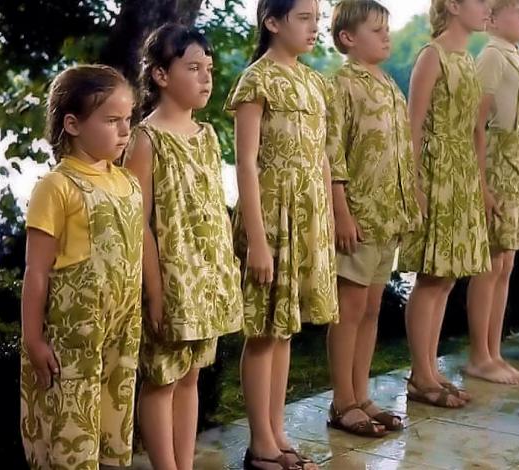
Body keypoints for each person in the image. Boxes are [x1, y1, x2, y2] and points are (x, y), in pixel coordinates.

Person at [124, 24, 243, 470]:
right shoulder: (145, 139)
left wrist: (226, 269)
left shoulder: (208, 136)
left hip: (206, 280)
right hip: (170, 281)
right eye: (193, 68)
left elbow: (213, 210)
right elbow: (139, 223)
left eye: (208, 69)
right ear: (160, 75)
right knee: (161, 379)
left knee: (191, 376)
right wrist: (154, 290)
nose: (206, 78)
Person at [226, 0, 337, 468]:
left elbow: (323, 156)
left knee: (284, 328)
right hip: (271, 217)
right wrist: (257, 239)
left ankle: (276, 431)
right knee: (264, 330)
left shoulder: (314, 81)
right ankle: (260, 445)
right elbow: (246, 163)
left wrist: (328, 219)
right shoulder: (257, 79)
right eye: (304, 18)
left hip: (307, 218)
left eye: (318, 19)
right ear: (273, 22)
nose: (315, 28)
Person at [19, 65, 142, 469]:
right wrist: (34, 340)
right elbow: (36, 272)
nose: (124, 131)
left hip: (121, 333)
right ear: (72, 124)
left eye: (128, 119)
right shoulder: (58, 187)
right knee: (73, 435)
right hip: (73, 343)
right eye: (111, 121)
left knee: (114, 428)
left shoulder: (128, 182)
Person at [324, 0, 422, 437]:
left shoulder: (389, 84)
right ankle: (342, 401)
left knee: (372, 307)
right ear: (348, 38)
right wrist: (340, 212)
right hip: (358, 217)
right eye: (376, 29)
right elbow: (333, 153)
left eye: (388, 29)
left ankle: (361, 394)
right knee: (349, 309)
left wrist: (410, 198)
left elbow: (401, 150)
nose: (387, 36)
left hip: (388, 216)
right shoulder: (342, 84)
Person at [398, 0, 492, 409]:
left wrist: (481, 186)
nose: (488, 8)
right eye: (481, 2)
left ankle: (431, 370)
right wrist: (413, 184)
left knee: (449, 276)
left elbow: (474, 130)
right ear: (453, 5)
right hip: (436, 175)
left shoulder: (467, 59)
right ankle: (420, 375)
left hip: (462, 177)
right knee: (431, 276)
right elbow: (412, 127)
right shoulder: (432, 56)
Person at [465, 0, 519, 385]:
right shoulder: (492, 56)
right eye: (516, 10)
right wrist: (481, 183)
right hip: (499, 161)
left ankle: (494, 351)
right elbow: (476, 123)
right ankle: (479, 354)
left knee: (506, 261)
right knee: (490, 260)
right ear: (492, 19)